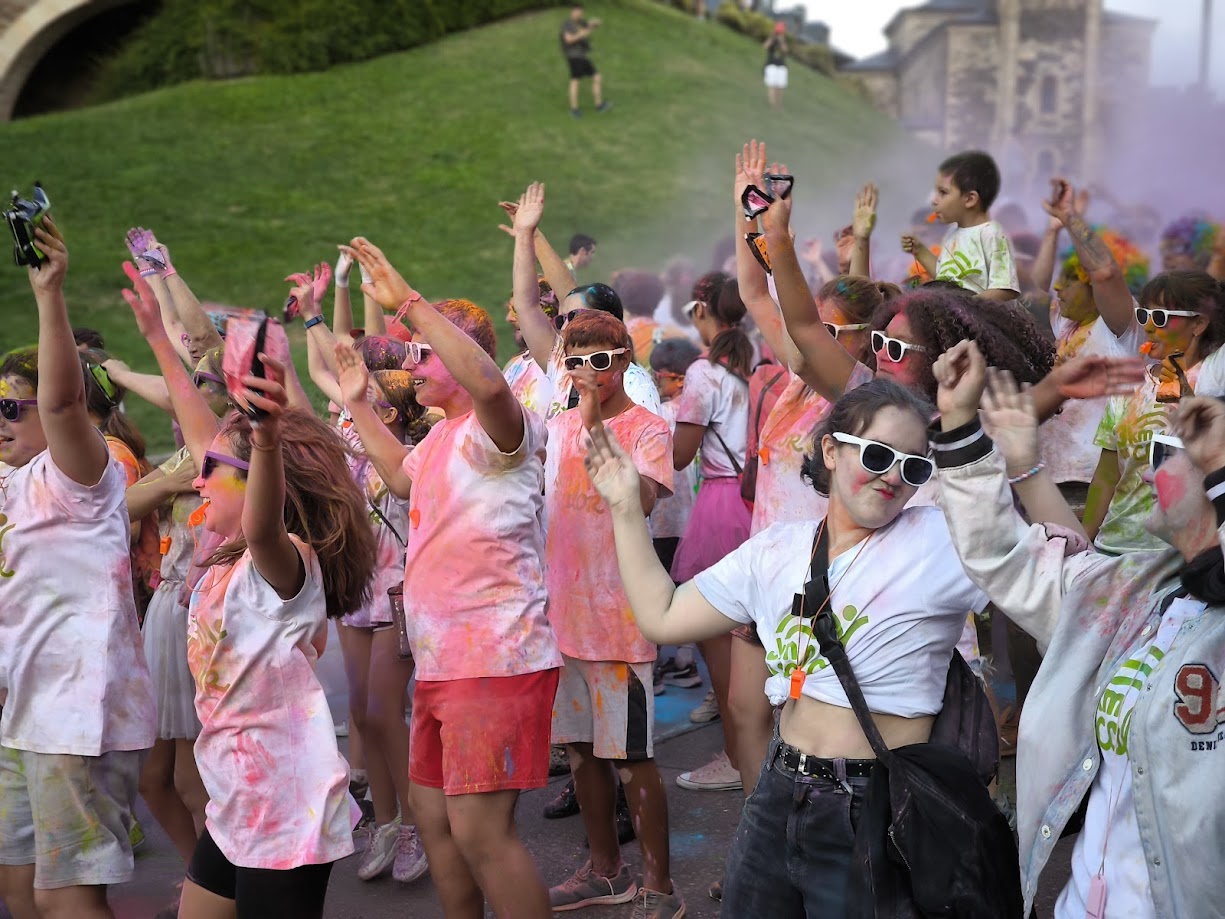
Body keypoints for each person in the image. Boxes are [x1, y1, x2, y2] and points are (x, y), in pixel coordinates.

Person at [584, 376, 997, 916]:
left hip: (875, 803)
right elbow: (662, 615)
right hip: (779, 791)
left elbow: (1051, 578)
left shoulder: (941, 540)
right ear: (830, 448)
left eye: (913, 466)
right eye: (877, 455)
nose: (894, 476)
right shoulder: (777, 549)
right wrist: (622, 506)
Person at [932, 339, 1225, 919]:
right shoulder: (1136, 588)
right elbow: (1005, 559)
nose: (1149, 467)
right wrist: (961, 423)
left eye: (1171, 450)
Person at [121, 263, 373, 919]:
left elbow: (260, 516)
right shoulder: (225, 550)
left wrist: (262, 438)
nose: (197, 481)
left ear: (261, 483)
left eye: (215, 475)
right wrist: (156, 337)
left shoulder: (280, 561)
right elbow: (208, 439)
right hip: (237, 792)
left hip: (282, 799)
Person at [338, 237, 560, 919]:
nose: (413, 362)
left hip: (494, 659)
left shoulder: (502, 427)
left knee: (480, 833)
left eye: (427, 352)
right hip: (443, 663)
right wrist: (358, 405)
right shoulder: (438, 436)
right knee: (433, 822)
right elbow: (401, 479)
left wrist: (408, 303)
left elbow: (489, 382)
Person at [0, 220, 156, 919]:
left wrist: (49, 293)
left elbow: (63, 403)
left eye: (11, 406)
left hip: (79, 711)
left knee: (63, 892)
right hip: (22, 713)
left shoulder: (77, 474)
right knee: (19, 885)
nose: (0, 418)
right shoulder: (8, 481)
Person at [292, 266, 432, 885]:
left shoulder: (404, 449)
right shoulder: (353, 429)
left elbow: (335, 375)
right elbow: (322, 376)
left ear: (397, 407)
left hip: (399, 593)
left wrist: (325, 321)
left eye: (375, 392)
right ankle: (385, 819)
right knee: (362, 715)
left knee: (382, 712)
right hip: (356, 589)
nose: (357, 395)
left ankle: (420, 830)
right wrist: (312, 319)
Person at [543, 311, 683, 918]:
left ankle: (659, 887)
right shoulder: (553, 430)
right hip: (563, 619)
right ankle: (605, 870)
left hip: (621, 620)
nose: (590, 374)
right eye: (577, 362)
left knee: (631, 759)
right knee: (579, 753)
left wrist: (598, 425)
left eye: (602, 361)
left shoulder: (650, 428)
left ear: (626, 360)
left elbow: (644, 500)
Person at [668, 269, 753, 792]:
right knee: (755, 636)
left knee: (720, 643)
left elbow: (680, 455)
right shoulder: (756, 360)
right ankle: (759, 748)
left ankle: (735, 755)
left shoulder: (703, 373)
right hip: (756, 501)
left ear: (701, 313)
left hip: (720, 505)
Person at [1086, 271, 1225, 555]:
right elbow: (1106, 476)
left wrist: (1187, 397)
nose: (1148, 328)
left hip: (1180, 555)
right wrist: (1084, 540)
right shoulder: (1130, 385)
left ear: (1198, 323)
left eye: (1160, 317)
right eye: (1144, 316)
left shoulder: (1216, 378)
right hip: (1113, 546)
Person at [507, 183, 660, 419]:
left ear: (608, 322)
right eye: (561, 319)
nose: (566, 326)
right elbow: (527, 306)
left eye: (575, 316)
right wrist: (526, 235)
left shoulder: (634, 384)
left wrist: (534, 236)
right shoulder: (561, 363)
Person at [901, 150, 1020, 301]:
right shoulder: (952, 234)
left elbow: (1005, 289)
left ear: (970, 199)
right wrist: (920, 251)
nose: (934, 201)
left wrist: (965, 306)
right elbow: (945, 279)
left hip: (982, 320)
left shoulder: (991, 234)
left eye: (943, 193)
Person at [503, 278, 559, 418]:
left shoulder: (565, 363)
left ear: (547, 315)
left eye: (516, 311)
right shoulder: (513, 366)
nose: (509, 318)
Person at [561, 6, 610, 118]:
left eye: (581, 13)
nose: (579, 14)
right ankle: (574, 110)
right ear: (572, 12)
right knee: (575, 81)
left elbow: (592, 26)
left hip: (583, 56)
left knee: (597, 77)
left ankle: (599, 105)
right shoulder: (567, 24)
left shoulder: (582, 22)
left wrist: (595, 23)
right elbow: (568, 40)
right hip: (574, 56)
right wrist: (583, 33)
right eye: (577, 12)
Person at [762, 22, 788, 111]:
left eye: (781, 31)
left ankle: (778, 106)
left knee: (780, 87)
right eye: (778, 31)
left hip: (781, 66)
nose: (779, 33)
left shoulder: (784, 40)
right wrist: (772, 38)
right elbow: (765, 46)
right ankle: (772, 105)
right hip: (771, 65)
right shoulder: (772, 38)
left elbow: (785, 50)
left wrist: (781, 41)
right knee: (772, 85)